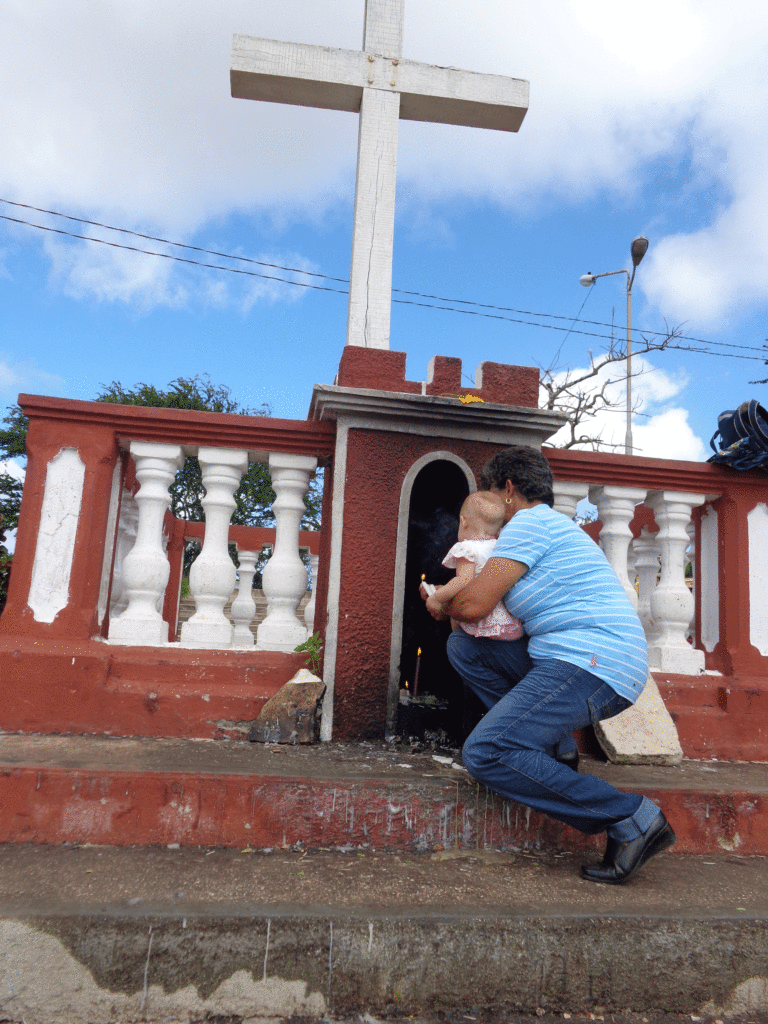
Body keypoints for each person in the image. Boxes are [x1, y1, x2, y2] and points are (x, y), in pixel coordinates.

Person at [423, 446, 676, 884]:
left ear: (507, 489)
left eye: (490, 492)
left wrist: (441, 601)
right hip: (566, 657)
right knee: (465, 649)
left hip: (594, 661)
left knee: (486, 752)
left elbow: (474, 605)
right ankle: (554, 745)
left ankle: (632, 817)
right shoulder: (541, 528)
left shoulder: (529, 523)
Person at [438, 491, 525, 641]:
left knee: (456, 606)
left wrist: (436, 598)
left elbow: (463, 580)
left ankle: (459, 639)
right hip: (509, 625)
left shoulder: (467, 548)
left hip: (482, 624)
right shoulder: (501, 547)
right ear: (499, 529)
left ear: (463, 521)